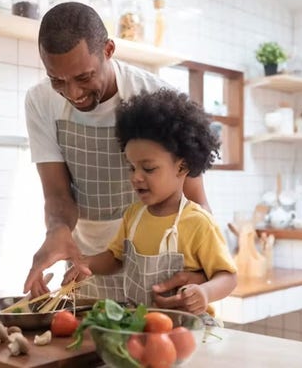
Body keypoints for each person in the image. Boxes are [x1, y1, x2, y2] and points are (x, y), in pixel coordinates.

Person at [23, 2, 209, 306]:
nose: (73, 93)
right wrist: (56, 231)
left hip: (159, 271)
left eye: (84, 77)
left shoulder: (153, 97)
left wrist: (205, 272)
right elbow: (57, 195)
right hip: (88, 268)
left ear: (108, 50)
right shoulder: (40, 101)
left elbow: (195, 202)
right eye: (58, 79)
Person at [63, 88, 237, 316]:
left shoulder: (198, 223)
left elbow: (228, 276)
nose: (136, 177)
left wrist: (204, 292)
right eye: (132, 167)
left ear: (182, 167)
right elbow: (115, 258)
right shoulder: (134, 215)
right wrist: (86, 265)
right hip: (141, 326)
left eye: (148, 168)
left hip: (187, 331)